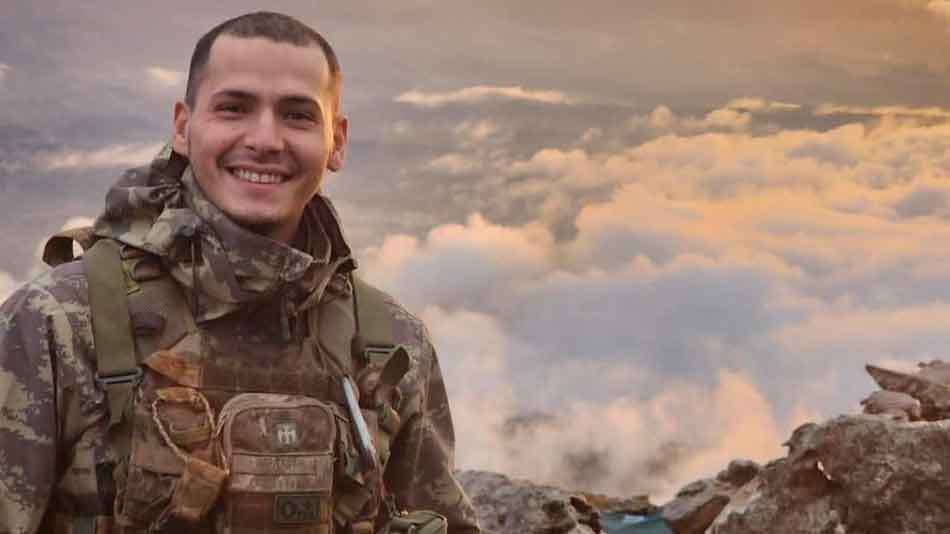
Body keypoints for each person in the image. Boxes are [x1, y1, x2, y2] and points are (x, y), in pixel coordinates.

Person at [0, 11, 480, 534]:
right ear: (183, 127)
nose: (265, 139)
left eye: (297, 115)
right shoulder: (59, 322)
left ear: (337, 141)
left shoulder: (392, 345)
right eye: (234, 108)